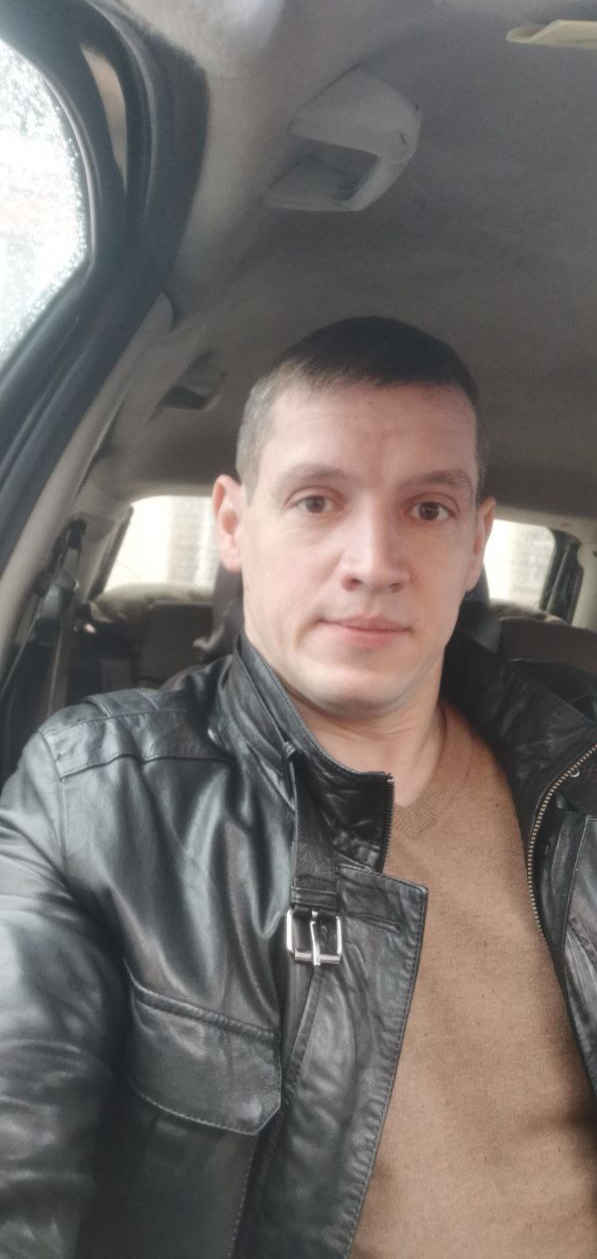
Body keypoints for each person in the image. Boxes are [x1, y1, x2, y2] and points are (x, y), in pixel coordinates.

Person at [0, 316, 596, 1259]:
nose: (374, 563)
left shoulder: (579, 770)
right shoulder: (96, 796)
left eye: (428, 509)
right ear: (233, 524)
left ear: (476, 542)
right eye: (317, 501)